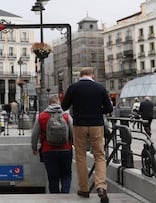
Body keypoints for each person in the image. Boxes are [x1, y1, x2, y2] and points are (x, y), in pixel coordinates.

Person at [61, 67, 113, 203]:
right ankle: (101, 187)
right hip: (96, 125)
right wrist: (97, 109)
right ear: (92, 75)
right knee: (100, 155)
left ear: (80, 75)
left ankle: (84, 189)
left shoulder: (73, 87)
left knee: (80, 156)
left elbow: (64, 106)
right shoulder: (100, 88)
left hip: (79, 125)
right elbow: (109, 108)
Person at [31, 95, 73, 193]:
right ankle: (65, 196)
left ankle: (55, 198)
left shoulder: (41, 116)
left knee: (52, 177)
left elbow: (35, 134)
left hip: (48, 150)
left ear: (49, 104)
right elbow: (72, 132)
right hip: (66, 149)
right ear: (59, 103)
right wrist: (71, 143)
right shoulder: (66, 115)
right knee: (66, 175)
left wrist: (34, 148)